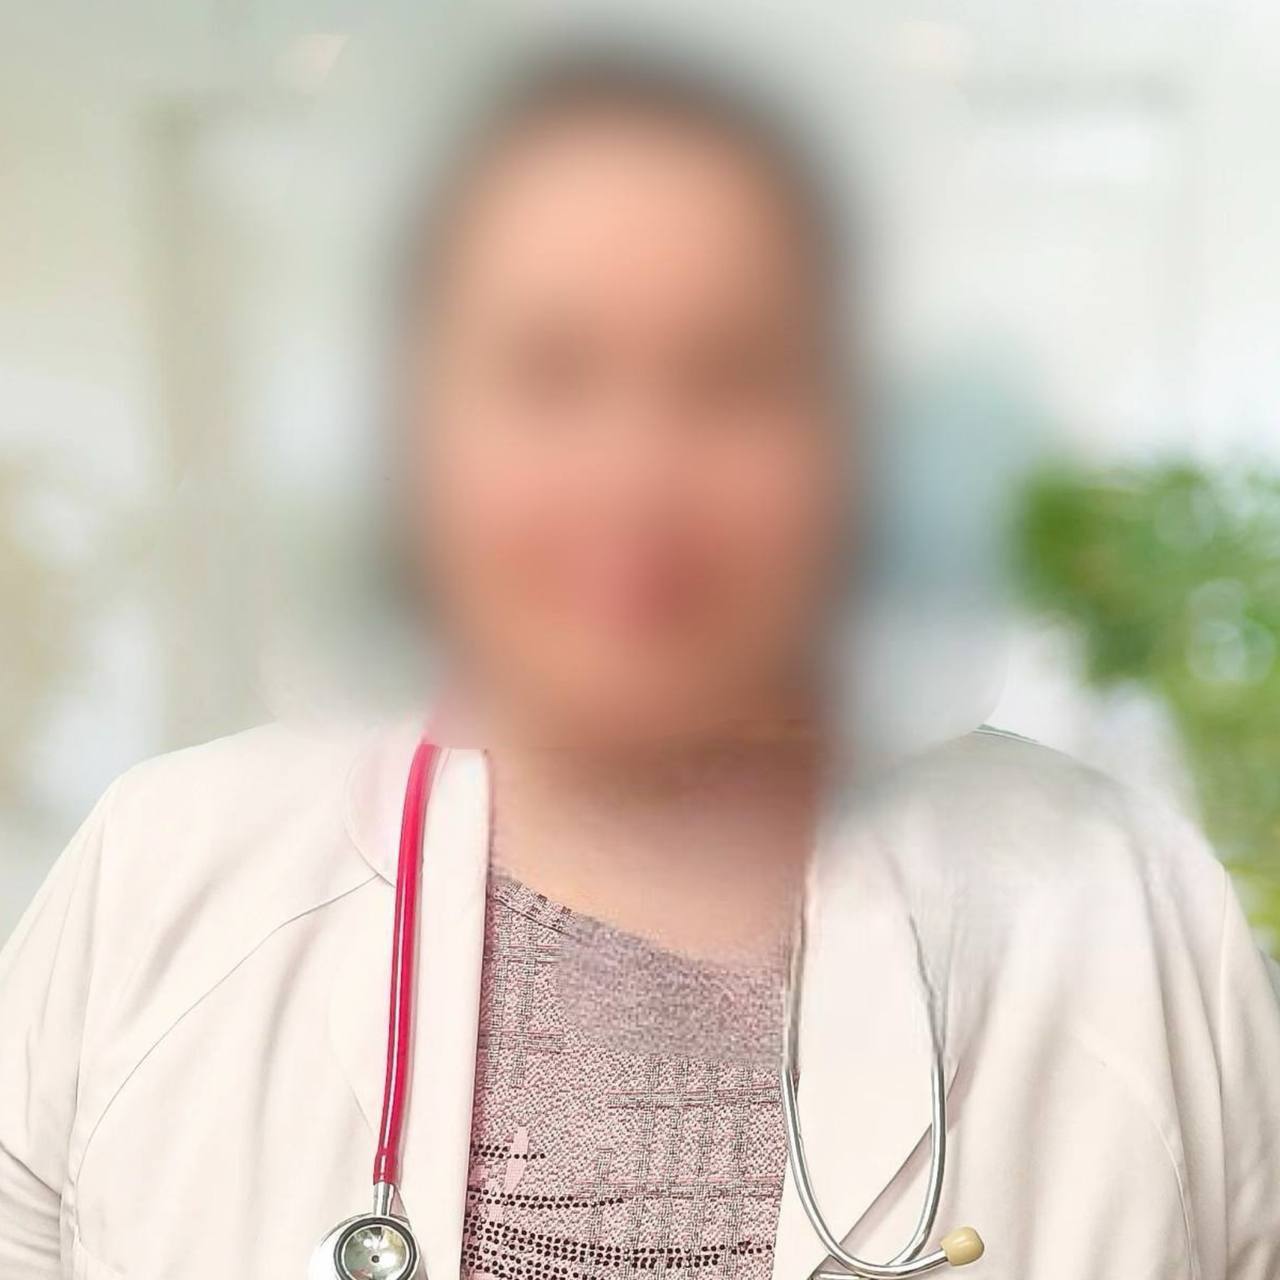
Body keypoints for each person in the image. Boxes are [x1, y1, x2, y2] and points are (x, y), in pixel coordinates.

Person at [1, 52, 1277, 1280]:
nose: (636, 478)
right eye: (546, 373)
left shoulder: (1126, 907)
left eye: (735, 376)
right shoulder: (161, 875)